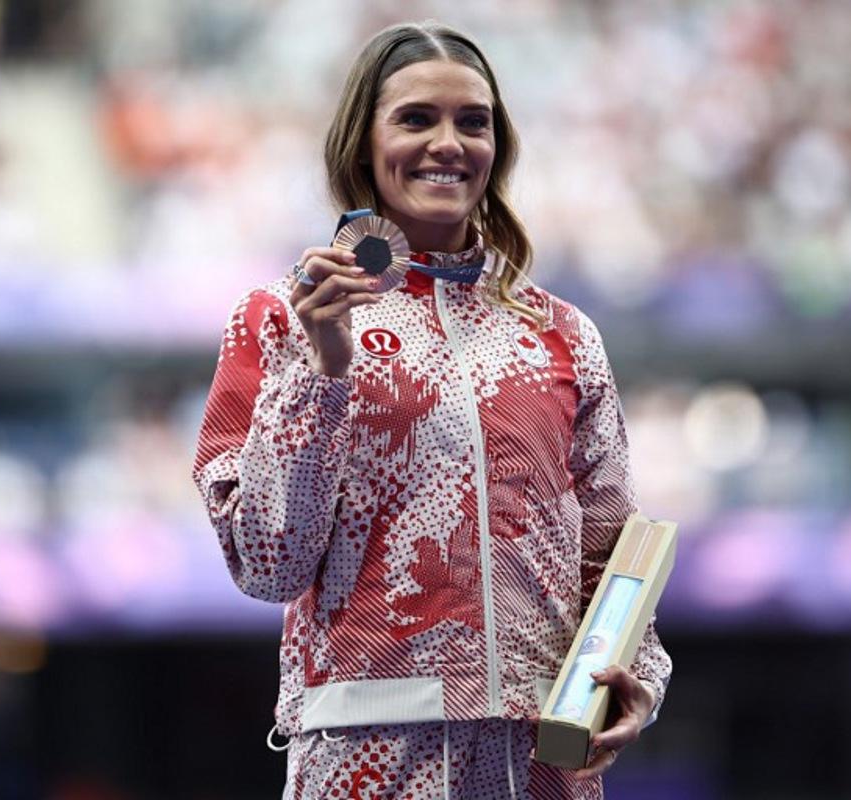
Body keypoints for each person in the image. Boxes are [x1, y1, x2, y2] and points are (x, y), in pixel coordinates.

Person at [192, 21, 671, 800]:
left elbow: (613, 556)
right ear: (362, 140)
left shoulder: (560, 334)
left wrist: (634, 679)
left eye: (472, 122)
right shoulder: (278, 318)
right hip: (366, 756)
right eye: (416, 118)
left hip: (541, 758)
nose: (448, 143)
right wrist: (324, 364)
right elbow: (268, 563)